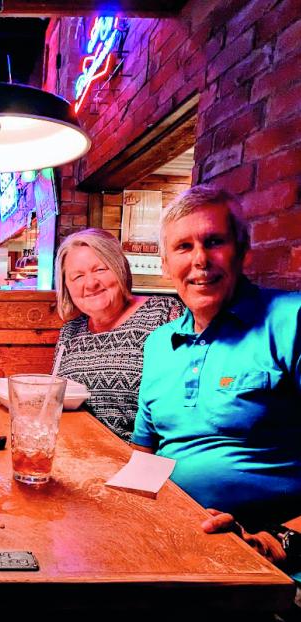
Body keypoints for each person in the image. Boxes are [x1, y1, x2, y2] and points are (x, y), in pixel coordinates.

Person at [132, 185, 301, 567]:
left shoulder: (291, 321)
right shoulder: (159, 343)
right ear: (165, 264)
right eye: (183, 247)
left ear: (242, 252)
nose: (200, 260)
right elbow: (144, 454)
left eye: (214, 241)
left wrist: (275, 543)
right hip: (169, 541)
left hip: (266, 559)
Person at [53, 228, 183, 440]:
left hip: (143, 457)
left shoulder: (165, 314)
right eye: (77, 276)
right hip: (76, 451)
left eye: (100, 269)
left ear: (119, 268)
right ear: (66, 286)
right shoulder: (69, 333)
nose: (90, 283)